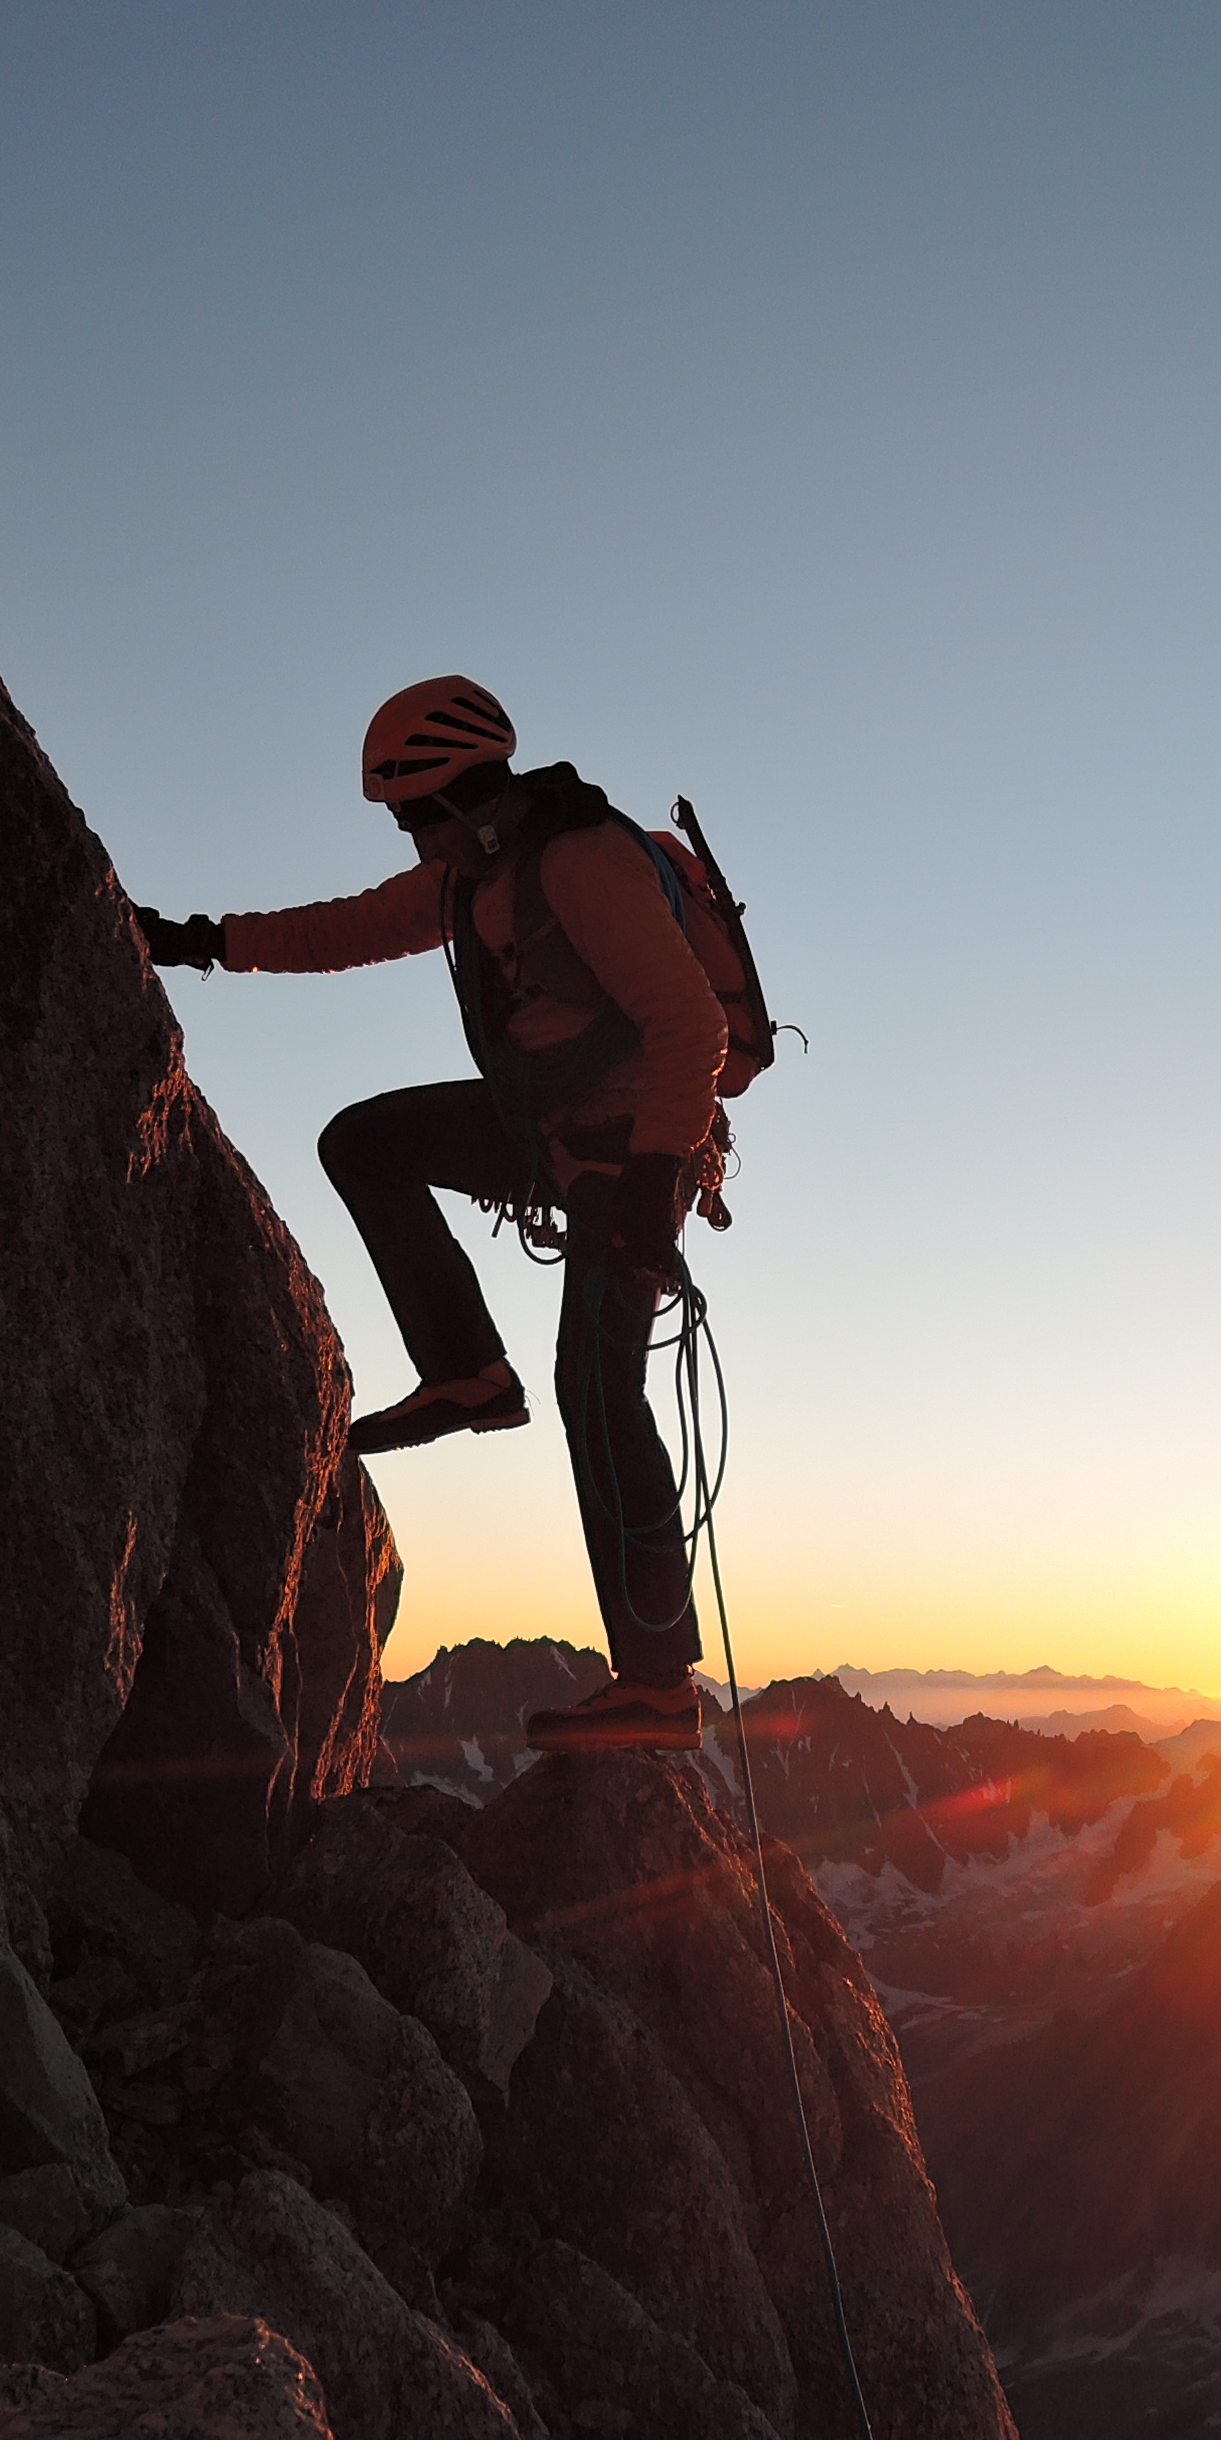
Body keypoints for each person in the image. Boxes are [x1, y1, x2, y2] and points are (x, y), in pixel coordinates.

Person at [133, 676, 721, 1753]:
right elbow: (347, 929)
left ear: (462, 796)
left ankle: (657, 1685)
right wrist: (203, 941)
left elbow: (689, 1025)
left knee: (598, 1390)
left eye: (414, 813)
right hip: (550, 1131)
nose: (409, 835)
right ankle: (468, 1374)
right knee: (364, 1142)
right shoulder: (471, 874)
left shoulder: (581, 864)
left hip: (631, 1152)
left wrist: (650, 1184)